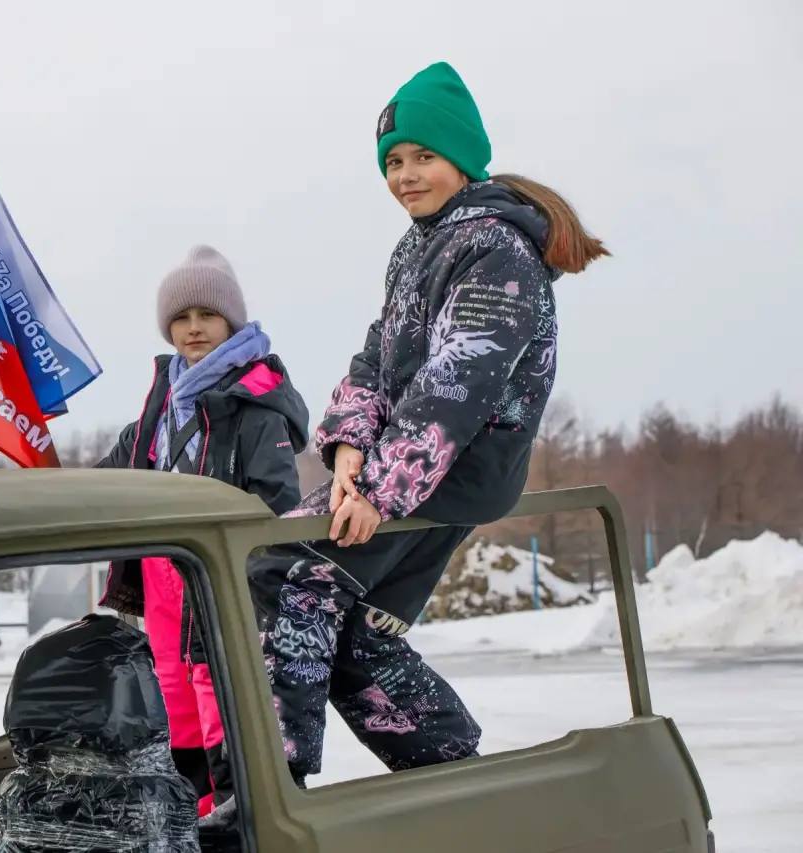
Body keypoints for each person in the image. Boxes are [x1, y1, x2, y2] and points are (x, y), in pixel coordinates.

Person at [252, 62, 608, 788]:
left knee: (283, 571)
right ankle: (456, 781)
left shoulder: (495, 250)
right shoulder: (421, 245)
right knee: (359, 635)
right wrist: (349, 445)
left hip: (448, 472)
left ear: (462, 158)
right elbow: (378, 355)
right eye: (392, 162)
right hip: (410, 469)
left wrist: (377, 491)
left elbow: (455, 387)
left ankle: (268, 790)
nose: (405, 176)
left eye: (422, 157)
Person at [97, 244, 309, 814]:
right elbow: (111, 479)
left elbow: (276, 503)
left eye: (207, 316)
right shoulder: (159, 405)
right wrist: (42, 484)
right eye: (182, 318)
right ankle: (186, 819)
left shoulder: (255, 406)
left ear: (230, 322)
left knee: (220, 699)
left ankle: (241, 820)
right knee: (172, 700)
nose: (194, 329)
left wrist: (221, 543)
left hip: (218, 575)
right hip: (161, 574)